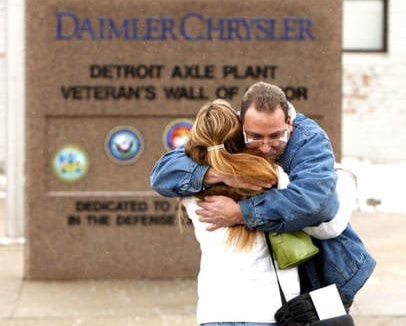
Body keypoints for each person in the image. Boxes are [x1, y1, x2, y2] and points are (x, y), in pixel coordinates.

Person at [150, 81, 375, 309]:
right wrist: (220, 174)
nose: (266, 147)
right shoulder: (232, 133)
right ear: (240, 124)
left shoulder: (309, 139)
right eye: (255, 137)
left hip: (325, 270)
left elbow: (316, 205)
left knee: (328, 320)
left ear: (289, 123)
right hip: (281, 281)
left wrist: (242, 213)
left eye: (276, 136)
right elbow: (162, 175)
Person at [179, 98, 300, 325]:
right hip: (267, 311)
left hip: (214, 310)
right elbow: (301, 208)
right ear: (239, 137)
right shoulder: (271, 175)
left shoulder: (190, 191)